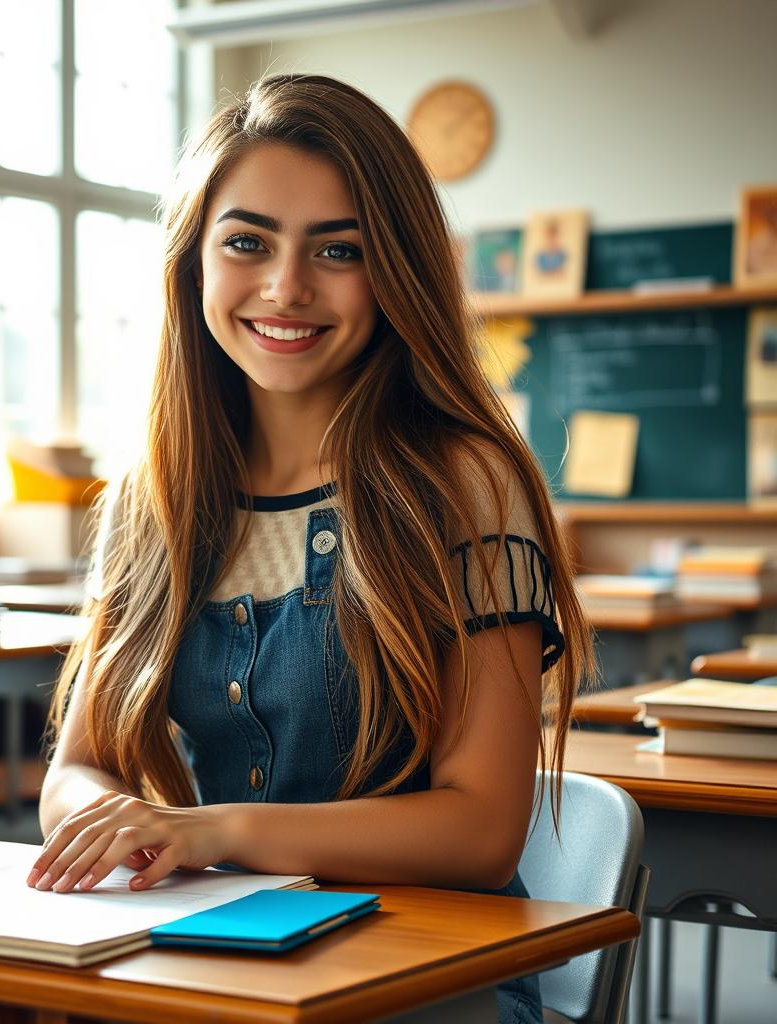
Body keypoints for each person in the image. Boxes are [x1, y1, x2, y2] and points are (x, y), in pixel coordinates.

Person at [32, 74, 592, 1024]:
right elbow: (76, 772)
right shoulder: (153, 496)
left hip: (427, 986)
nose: (287, 287)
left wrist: (208, 830)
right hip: (220, 968)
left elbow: (484, 831)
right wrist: (117, 818)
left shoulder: (464, 483)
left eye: (340, 250)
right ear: (194, 264)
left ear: (396, 272)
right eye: (246, 242)